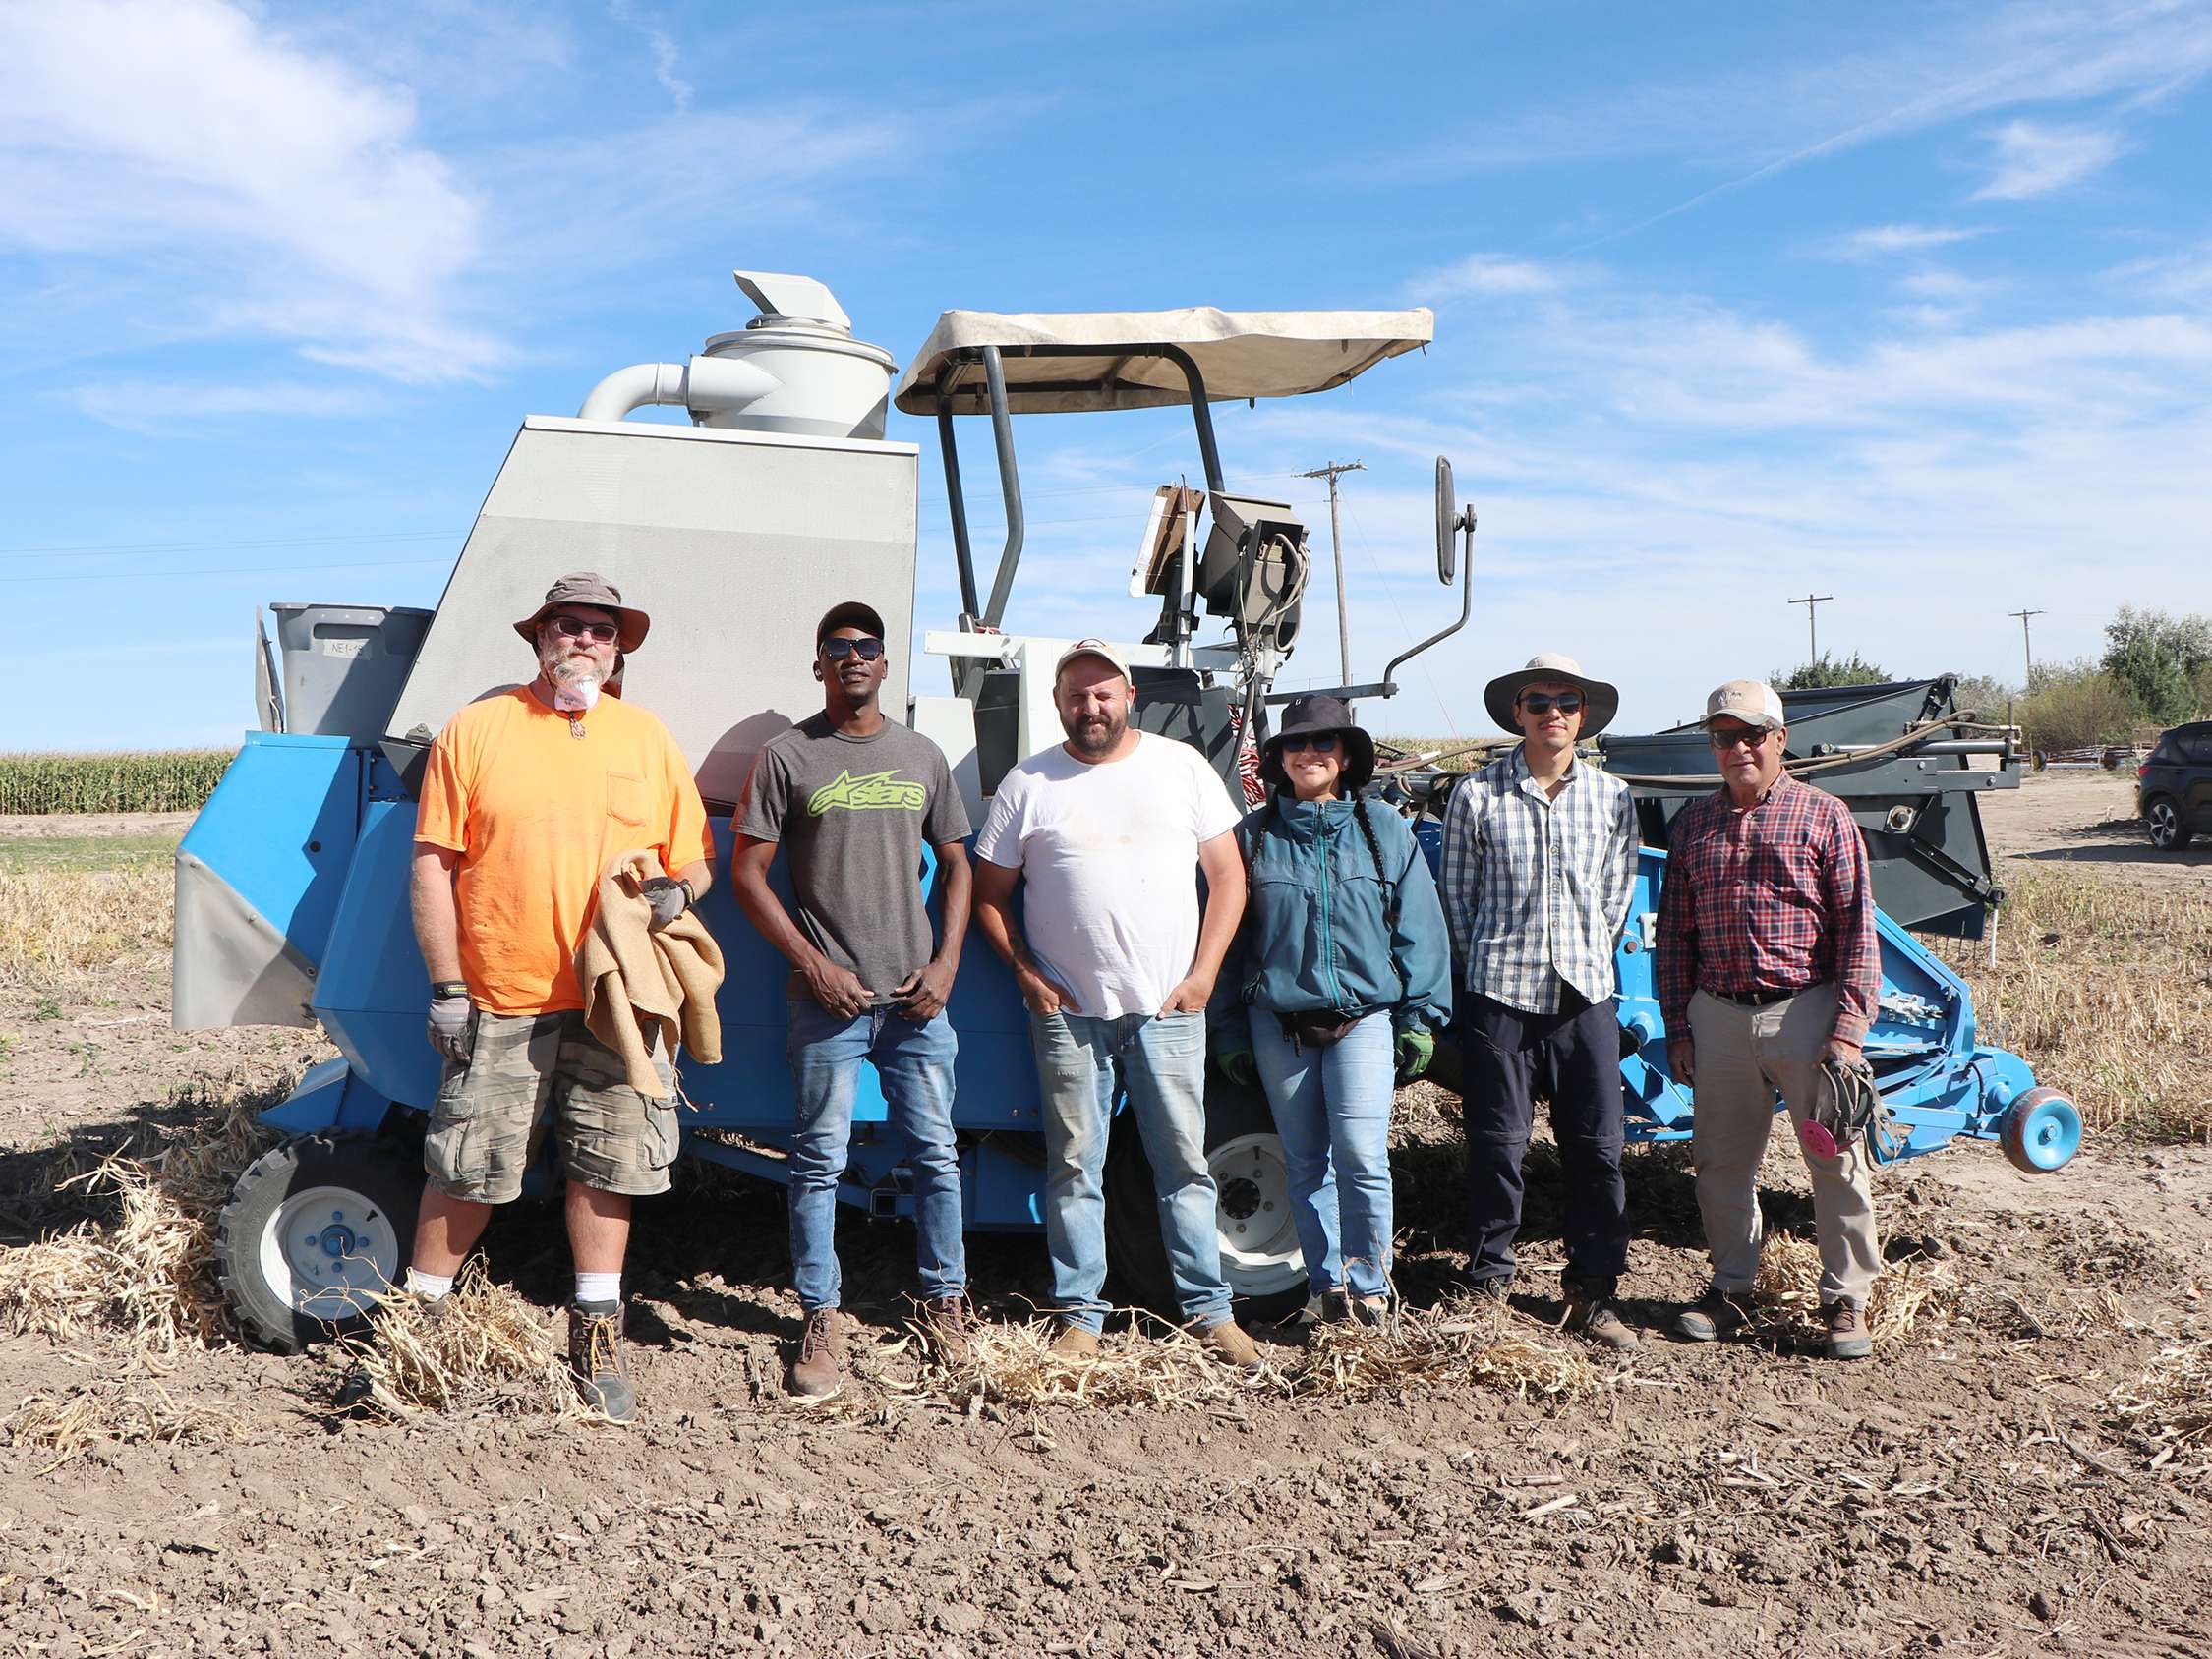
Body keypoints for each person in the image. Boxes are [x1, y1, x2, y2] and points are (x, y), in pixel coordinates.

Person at [404, 572, 715, 1421]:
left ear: (619, 651)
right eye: (567, 625)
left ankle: (596, 1346)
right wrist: (446, 986)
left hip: (620, 1000)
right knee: (465, 1169)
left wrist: (678, 896)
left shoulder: (647, 739)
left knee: (606, 1168)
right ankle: (413, 1339)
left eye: (600, 631)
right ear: (539, 637)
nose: (583, 640)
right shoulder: (479, 728)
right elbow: (433, 864)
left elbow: (694, 858)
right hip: (502, 995)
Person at [970, 640, 1263, 1370]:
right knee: (1075, 1167)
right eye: (1076, 694)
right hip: (1068, 1015)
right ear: (1058, 702)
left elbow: (1228, 878)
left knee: (1185, 1168)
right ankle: (1081, 1316)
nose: (1090, 706)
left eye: (1103, 693)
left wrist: (1203, 976)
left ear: (1128, 696)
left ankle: (1208, 1311)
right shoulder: (1029, 783)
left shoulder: (1181, 768)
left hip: (1168, 1009)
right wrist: (1026, 975)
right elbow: (989, 897)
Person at [730, 601, 974, 1399]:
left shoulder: (922, 755)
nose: (853, 658)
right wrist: (813, 964)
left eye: (867, 646)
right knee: (818, 1161)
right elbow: (746, 874)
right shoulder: (788, 755)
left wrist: (944, 965)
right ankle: (819, 1317)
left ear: (884, 663)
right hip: (827, 1001)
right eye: (837, 648)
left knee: (936, 1154)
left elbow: (960, 864)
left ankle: (945, 1304)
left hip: (916, 1000)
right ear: (819, 664)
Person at [1658, 679, 1883, 1361]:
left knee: (1835, 1159)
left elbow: (1856, 929)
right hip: (1718, 1014)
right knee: (1720, 1164)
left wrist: (1847, 1030)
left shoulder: (1824, 816)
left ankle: (1845, 1299)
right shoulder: (1692, 825)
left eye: (1753, 734)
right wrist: (1679, 1026)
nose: (1739, 748)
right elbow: (1675, 937)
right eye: (1725, 737)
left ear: (1781, 739)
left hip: (1805, 1011)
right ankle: (1732, 1288)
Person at [1209, 694, 1450, 1328]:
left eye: (1323, 744)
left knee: (1364, 1157)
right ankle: (1325, 1291)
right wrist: (1229, 1030)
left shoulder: (1382, 829)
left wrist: (1421, 1017)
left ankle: (1372, 1289)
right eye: (1295, 744)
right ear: (1279, 758)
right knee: (1305, 1161)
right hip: (1277, 1026)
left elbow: (1420, 929)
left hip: (1363, 1021)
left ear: (1345, 757)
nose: (1309, 754)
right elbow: (1230, 944)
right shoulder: (1253, 838)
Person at [1439, 653, 1643, 1349]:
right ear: (1517, 713)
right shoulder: (1477, 795)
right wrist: (1486, 969)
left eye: (1567, 701)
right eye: (1538, 700)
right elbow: (1457, 901)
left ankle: (1594, 1290)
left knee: (1599, 1148)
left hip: (1585, 995)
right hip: (1501, 993)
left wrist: (1586, 955)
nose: (1552, 711)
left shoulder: (1613, 797)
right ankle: (1490, 1281)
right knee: (1497, 1145)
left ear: (1583, 717)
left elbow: (1617, 897)